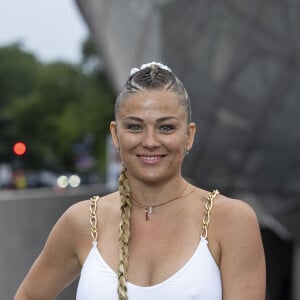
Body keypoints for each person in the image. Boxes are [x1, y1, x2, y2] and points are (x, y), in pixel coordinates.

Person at [14, 62, 266, 300]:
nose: (150, 141)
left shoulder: (232, 221)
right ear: (115, 134)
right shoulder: (82, 221)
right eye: (135, 127)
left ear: (188, 136)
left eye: (166, 127)